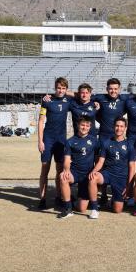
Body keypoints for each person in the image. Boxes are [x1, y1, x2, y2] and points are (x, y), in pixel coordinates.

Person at [87, 117, 136, 218]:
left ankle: (114, 199)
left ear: (125, 128)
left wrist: (129, 185)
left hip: (121, 176)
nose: (119, 128)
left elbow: (132, 166)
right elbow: (101, 161)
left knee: (117, 210)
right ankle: (94, 209)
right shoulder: (106, 142)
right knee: (93, 178)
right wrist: (94, 171)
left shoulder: (129, 145)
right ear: (114, 127)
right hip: (108, 173)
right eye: (117, 126)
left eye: (121, 126)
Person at [37, 77, 72, 210]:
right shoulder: (47, 101)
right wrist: (40, 141)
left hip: (61, 141)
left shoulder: (68, 101)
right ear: (54, 88)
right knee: (45, 169)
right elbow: (41, 121)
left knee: (59, 170)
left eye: (63, 88)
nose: (61, 90)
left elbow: (79, 95)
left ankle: (58, 197)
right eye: (58, 88)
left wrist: (67, 93)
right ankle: (42, 199)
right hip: (48, 140)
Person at [56, 116, 98, 219]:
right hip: (74, 173)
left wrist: (95, 171)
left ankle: (78, 202)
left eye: (87, 125)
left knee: (82, 208)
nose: (84, 127)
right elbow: (66, 159)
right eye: (82, 125)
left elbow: (98, 159)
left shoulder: (94, 141)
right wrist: (66, 170)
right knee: (63, 177)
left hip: (87, 175)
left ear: (90, 127)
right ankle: (68, 209)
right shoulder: (70, 141)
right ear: (78, 125)